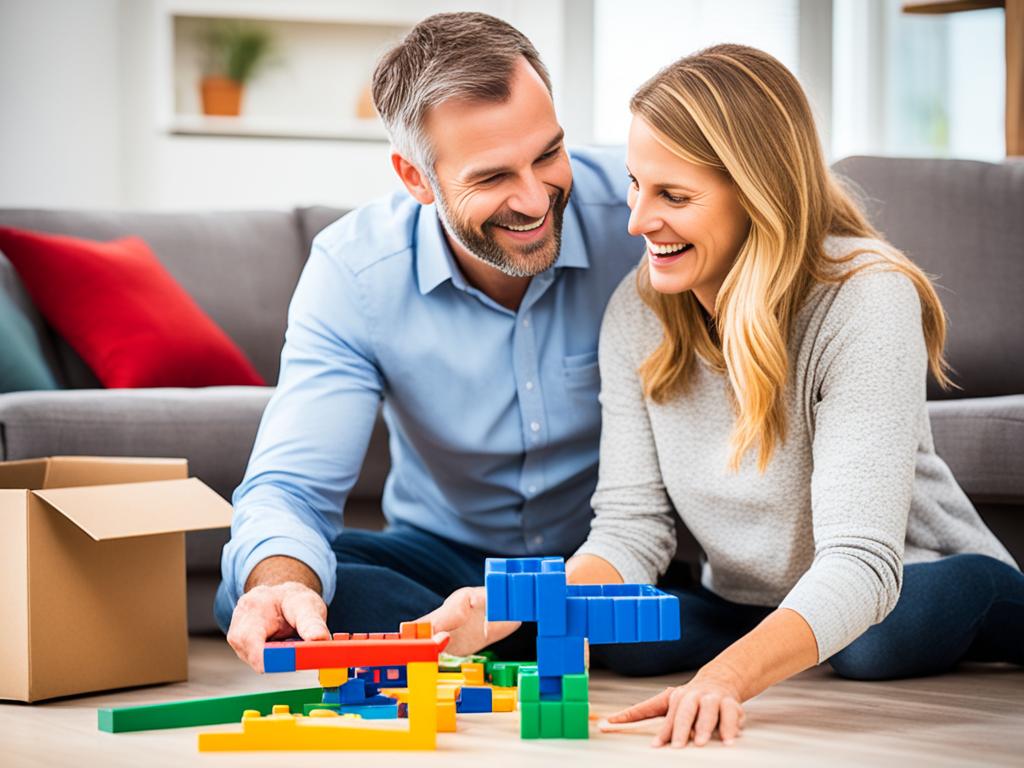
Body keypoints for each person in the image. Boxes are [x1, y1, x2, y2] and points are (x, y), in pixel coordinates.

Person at [427, 44, 1024, 748]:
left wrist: (725, 678)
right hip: (744, 596)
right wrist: (503, 610)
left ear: (758, 195)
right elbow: (631, 529)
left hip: (907, 578)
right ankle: (780, 640)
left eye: (673, 197)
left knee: (875, 643)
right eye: (635, 185)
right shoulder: (638, 310)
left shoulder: (865, 296)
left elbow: (861, 562)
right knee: (619, 631)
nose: (637, 221)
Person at [215, 12, 643, 672]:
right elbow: (291, 488)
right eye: (493, 177)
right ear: (416, 179)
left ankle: (513, 635)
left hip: (613, 550)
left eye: (548, 154)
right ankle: (555, 637)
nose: (535, 199)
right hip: (442, 558)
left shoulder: (644, 218)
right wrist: (283, 583)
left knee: (681, 599)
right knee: (268, 593)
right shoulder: (353, 272)